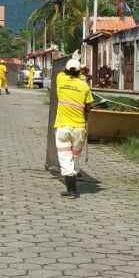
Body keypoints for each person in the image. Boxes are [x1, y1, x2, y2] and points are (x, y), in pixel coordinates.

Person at [54, 57, 94, 198]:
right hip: (79, 128)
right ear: (79, 72)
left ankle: (72, 190)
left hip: (63, 127)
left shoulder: (60, 79)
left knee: (65, 158)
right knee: (74, 156)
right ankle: (74, 177)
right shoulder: (84, 86)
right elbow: (89, 106)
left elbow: (62, 71)